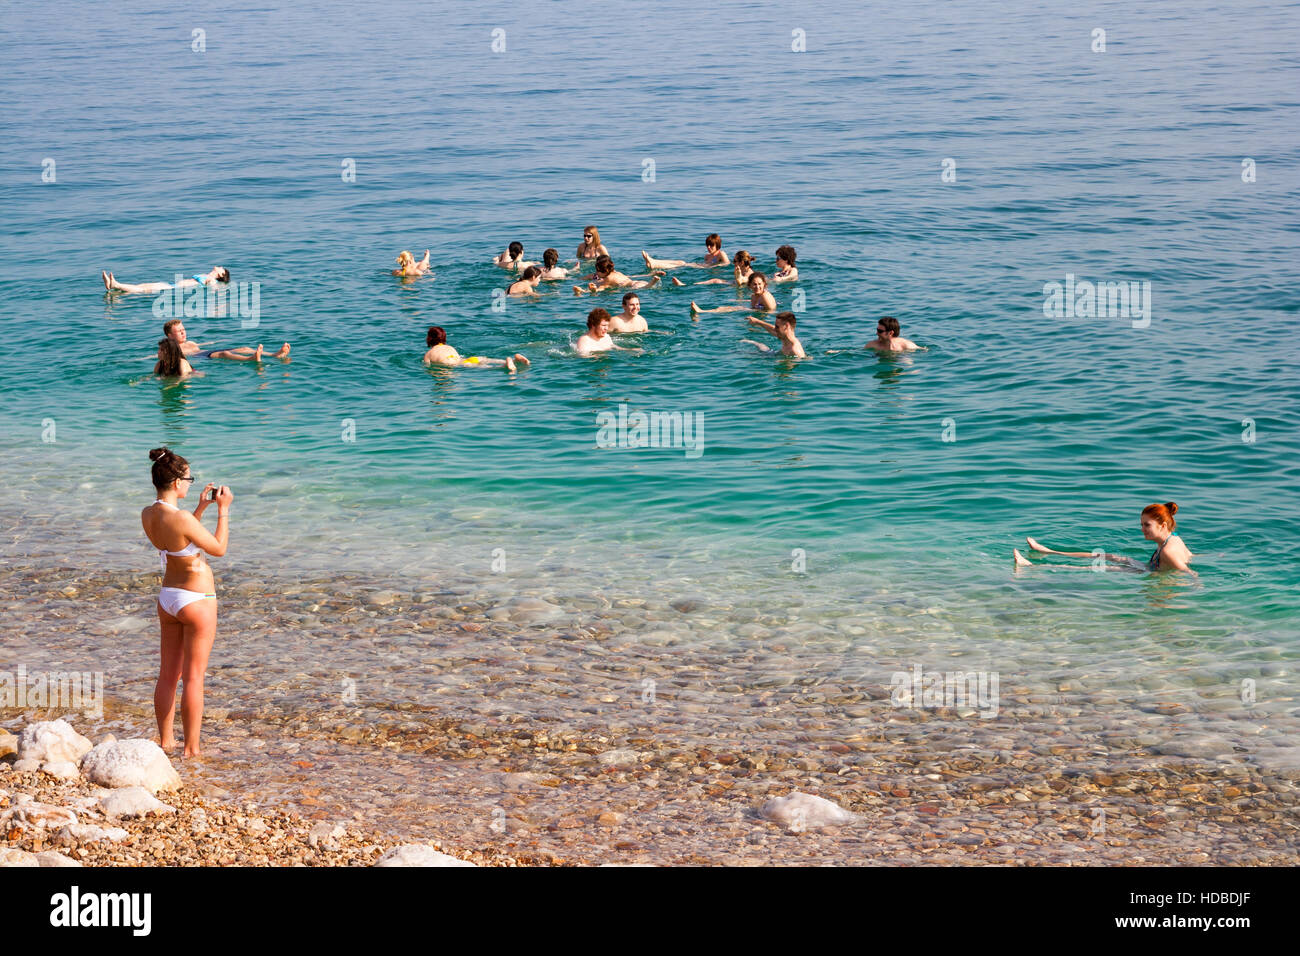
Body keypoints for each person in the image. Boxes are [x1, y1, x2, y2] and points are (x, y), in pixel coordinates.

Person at [140, 447, 231, 756]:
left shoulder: (149, 513)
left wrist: (200, 509)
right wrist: (223, 510)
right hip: (197, 599)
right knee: (193, 678)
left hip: (168, 598)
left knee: (168, 675)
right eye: (189, 478)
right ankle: (191, 749)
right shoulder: (179, 518)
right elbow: (218, 548)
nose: (191, 483)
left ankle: (166, 740)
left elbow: (179, 538)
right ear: (178, 481)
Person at [1013, 502, 1195, 573]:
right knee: (1108, 556)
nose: (1142, 529)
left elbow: (1189, 572)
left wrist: (1197, 586)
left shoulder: (1168, 551)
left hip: (1148, 571)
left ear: (1162, 526)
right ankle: (1049, 551)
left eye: (1146, 525)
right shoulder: (1174, 538)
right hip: (1150, 565)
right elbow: (1189, 556)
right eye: (1141, 524)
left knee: (1103, 566)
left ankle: (1032, 566)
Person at [164, 320, 289, 361]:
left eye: (183, 329)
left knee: (244, 348)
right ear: (170, 335)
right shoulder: (172, 346)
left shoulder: (190, 342)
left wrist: (213, 342)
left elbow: (202, 345)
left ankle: (274, 354)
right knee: (225, 354)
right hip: (203, 356)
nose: (183, 332)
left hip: (208, 350)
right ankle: (250, 359)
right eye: (179, 331)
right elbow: (164, 355)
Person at [422, 325, 528, 372]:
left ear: (429, 338)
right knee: (485, 360)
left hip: (459, 364)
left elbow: (427, 367)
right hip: (469, 359)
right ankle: (514, 360)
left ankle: (505, 365)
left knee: (488, 368)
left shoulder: (429, 353)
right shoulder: (449, 347)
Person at [691, 271, 776, 315]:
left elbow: (771, 312)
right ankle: (703, 311)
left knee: (732, 309)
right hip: (757, 314)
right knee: (727, 308)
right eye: (754, 284)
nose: (757, 287)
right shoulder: (754, 296)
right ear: (749, 285)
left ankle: (702, 311)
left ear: (764, 284)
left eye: (759, 284)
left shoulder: (765, 296)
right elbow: (754, 308)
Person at [572, 255, 662, 295]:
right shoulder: (616, 272)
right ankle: (652, 281)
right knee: (645, 286)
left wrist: (587, 291)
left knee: (645, 288)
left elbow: (601, 288)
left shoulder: (608, 278)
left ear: (604, 271)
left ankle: (652, 282)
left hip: (634, 286)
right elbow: (631, 277)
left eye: (598, 271)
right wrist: (649, 274)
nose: (597, 273)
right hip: (639, 282)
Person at [104, 266, 230, 294]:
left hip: (174, 288)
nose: (219, 266)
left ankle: (116, 284)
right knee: (142, 285)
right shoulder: (206, 275)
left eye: (221, 268)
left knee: (143, 289)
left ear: (221, 274)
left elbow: (214, 290)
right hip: (172, 285)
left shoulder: (212, 280)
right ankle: (112, 286)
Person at [642, 234, 730, 271]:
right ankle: (654, 261)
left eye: (711, 245)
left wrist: (715, 265)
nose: (708, 247)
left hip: (701, 268)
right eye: (707, 245)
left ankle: (655, 264)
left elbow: (727, 264)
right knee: (681, 262)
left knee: (682, 264)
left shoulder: (721, 254)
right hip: (700, 266)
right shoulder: (706, 256)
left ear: (717, 245)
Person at [576, 309, 642, 356]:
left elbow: (613, 346)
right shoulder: (584, 340)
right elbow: (583, 357)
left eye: (607, 325)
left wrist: (630, 350)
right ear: (593, 325)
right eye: (603, 325)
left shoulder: (606, 336)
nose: (606, 328)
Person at [674, 250, 755, 287]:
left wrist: (739, 277)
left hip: (740, 286)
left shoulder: (749, 273)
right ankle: (688, 285)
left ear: (742, 263)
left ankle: (685, 286)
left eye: (735, 261)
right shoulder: (743, 270)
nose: (733, 263)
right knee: (714, 280)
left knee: (715, 281)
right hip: (736, 283)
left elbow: (744, 280)